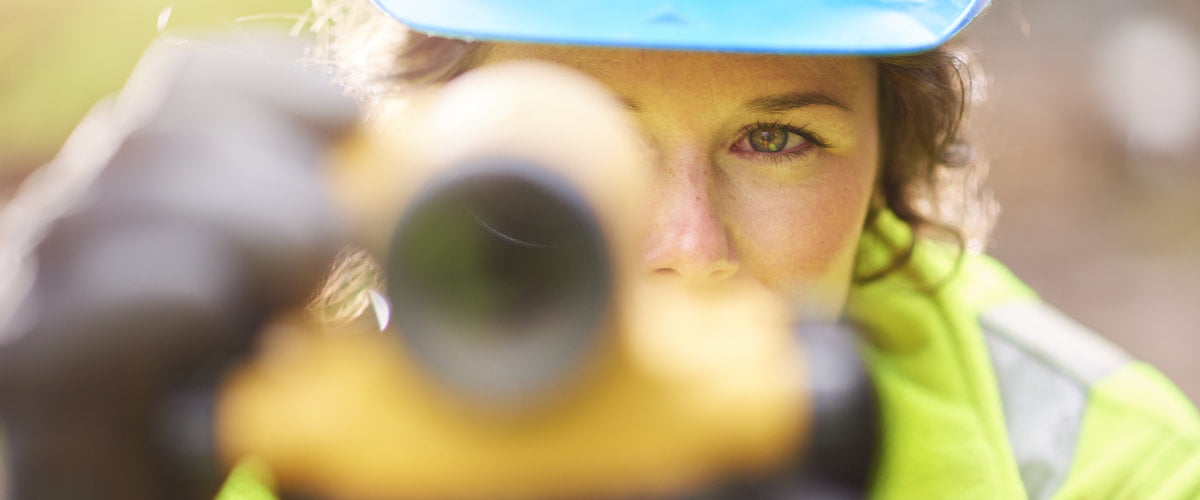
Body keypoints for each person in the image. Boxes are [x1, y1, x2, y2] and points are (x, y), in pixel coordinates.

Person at [243, 0, 1194, 498]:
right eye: (591, 141)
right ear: (415, 147)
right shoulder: (231, 436)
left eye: (776, 141)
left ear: (889, 164)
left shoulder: (1111, 472)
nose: (689, 247)